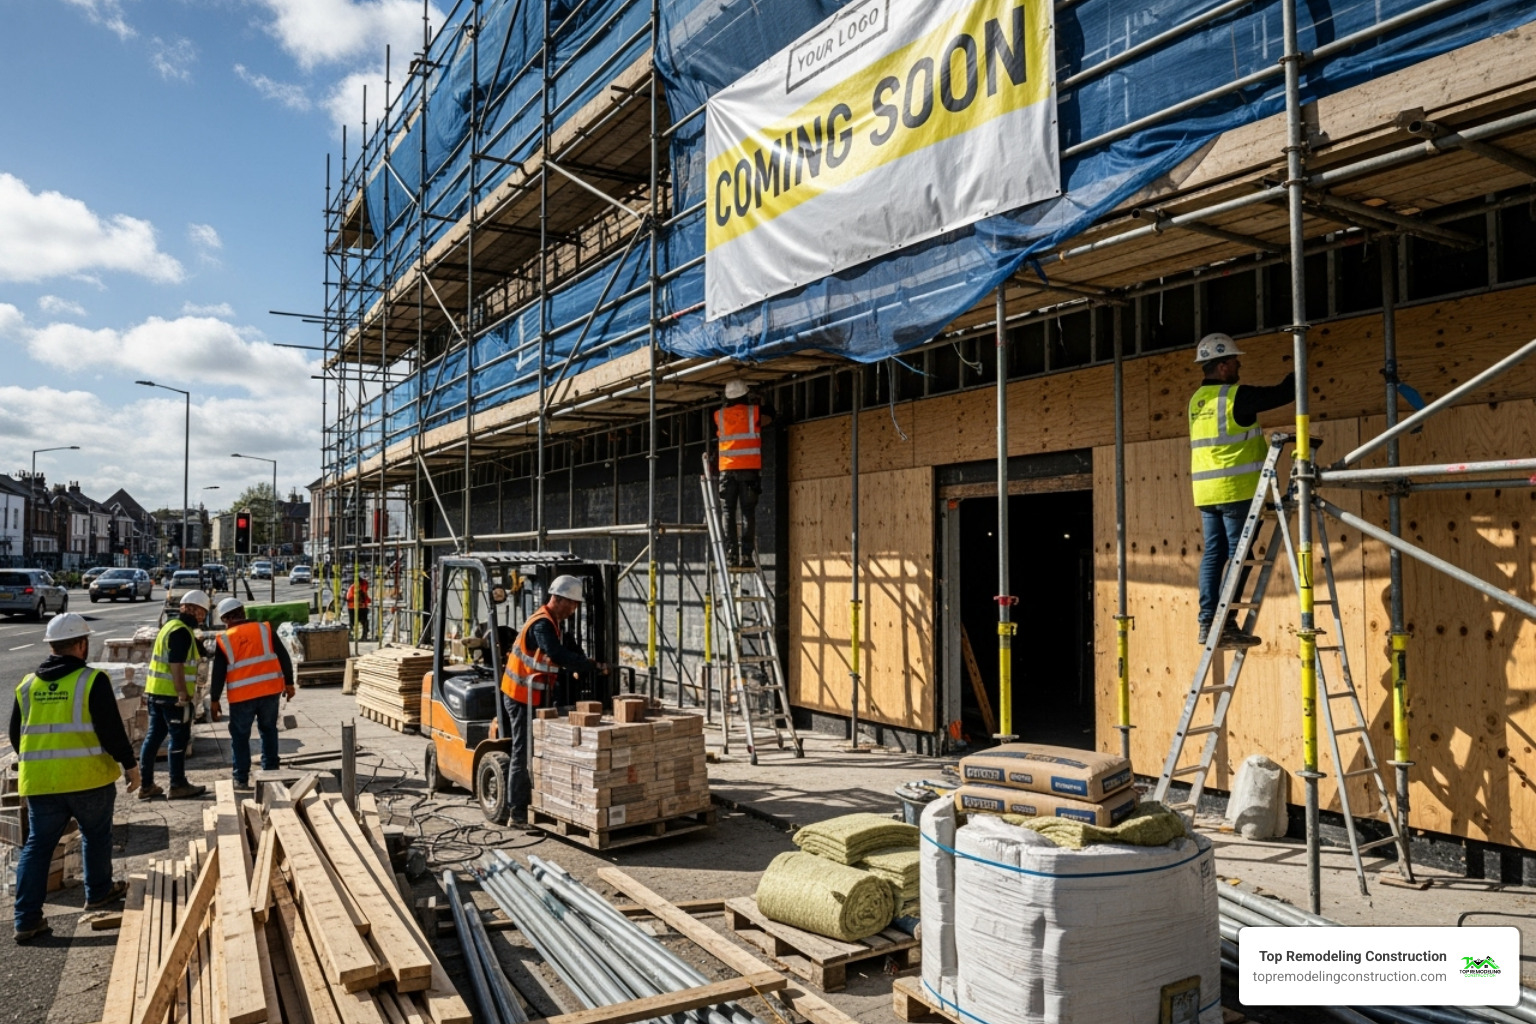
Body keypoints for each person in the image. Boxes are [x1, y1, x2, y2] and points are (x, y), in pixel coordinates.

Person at [10, 613, 140, 942]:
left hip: (41, 783)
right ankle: (97, 893)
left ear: (52, 646)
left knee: (37, 847)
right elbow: (111, 730)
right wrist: (130, 765)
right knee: (95, 836)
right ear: (81, 645)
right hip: (88, 779)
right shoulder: (90, 681)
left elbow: (17, 736)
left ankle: (26, 919)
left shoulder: (27, 685)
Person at [1188, 333, 1295, 648]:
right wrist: (1302, 361)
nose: (1239, 365)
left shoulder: (1196, 401)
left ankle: (1208, 623)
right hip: (1236, 491)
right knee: (1239, 555)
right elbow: (1284, 393)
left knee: (1214, 554)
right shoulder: (1237, 396)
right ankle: (1226, 624)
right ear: (1222, 366)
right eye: (1235, 361)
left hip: (1207, 494)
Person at [499, 575, 608, 825]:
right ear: (557, 599)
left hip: (535, 695)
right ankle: (516, 813)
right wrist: (583, 666)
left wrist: (586, 662)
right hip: (520, 695)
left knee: (537, 748)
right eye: (571, 604)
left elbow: (568, 649)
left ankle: (537, 800)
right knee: (522, 750)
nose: (574, 609)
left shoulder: (555, 624)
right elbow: (556, 653)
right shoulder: (542, 625)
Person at [210, 598, 295, 790]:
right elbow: (284, 656)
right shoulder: (264, 630)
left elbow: (218, 673)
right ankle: (271, 773)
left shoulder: (225, 639)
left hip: (242, 696)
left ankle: (241, 778)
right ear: (242, 611)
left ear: (225, 619)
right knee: (268, 730)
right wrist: (289, 683)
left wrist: (214, 699)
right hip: (269, 691)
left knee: (240, 736)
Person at [139, 590, 211, 800]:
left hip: (155, 693)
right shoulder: (180, 632)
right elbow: (176, 664)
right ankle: (177, 784)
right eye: (201, 613)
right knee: (179, 738)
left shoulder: (169, 627)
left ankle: (147, 785)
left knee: (153, 738)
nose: (201, 618)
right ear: (192, 610)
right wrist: (182, 693)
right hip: (172, 697)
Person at [713, 378, 775, 567]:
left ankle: (732, 555)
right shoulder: (753, 413)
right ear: (745, 395)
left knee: (728, 512)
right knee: (748, 512)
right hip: (749, 471)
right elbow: (770, 416)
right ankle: (747, 556)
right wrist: (763, 400)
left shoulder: (719, 415)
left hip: (727, 471)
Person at [346, 573, 371, 638]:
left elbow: (364, 595)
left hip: (355, 606)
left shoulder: (355, 586)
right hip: (356, 606)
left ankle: (353, 635)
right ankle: (362, 635)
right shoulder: (358, 586)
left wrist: (367, 600)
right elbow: (361, 595)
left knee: (354, 622)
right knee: (362, 622)